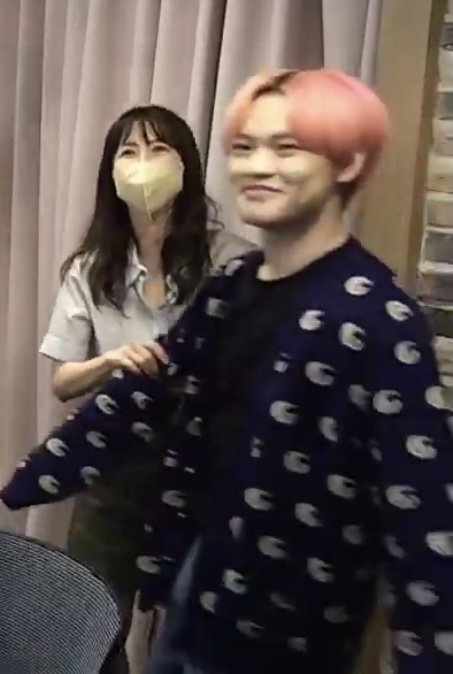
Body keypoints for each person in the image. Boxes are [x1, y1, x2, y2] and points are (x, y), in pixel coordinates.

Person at [3, 68, 453, 674]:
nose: (258, 166)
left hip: (293, 635)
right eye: (244, 147)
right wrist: (24, 483)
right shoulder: (232, 288)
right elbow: (141, 397)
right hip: (200, 595)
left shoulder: (381, 318)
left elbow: (423, 528)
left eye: (286, 147)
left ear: (346, 163)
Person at [35, 104, 253, 671]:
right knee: (92, 624)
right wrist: (112, 361)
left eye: (158, 150)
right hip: (114, 469)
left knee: (196, 630)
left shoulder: (230, 260)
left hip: (203, 471)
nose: (143, 163)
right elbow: (62, 381)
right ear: (111, 172)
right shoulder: (90, 269)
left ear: (186, 165)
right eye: (129, 152)